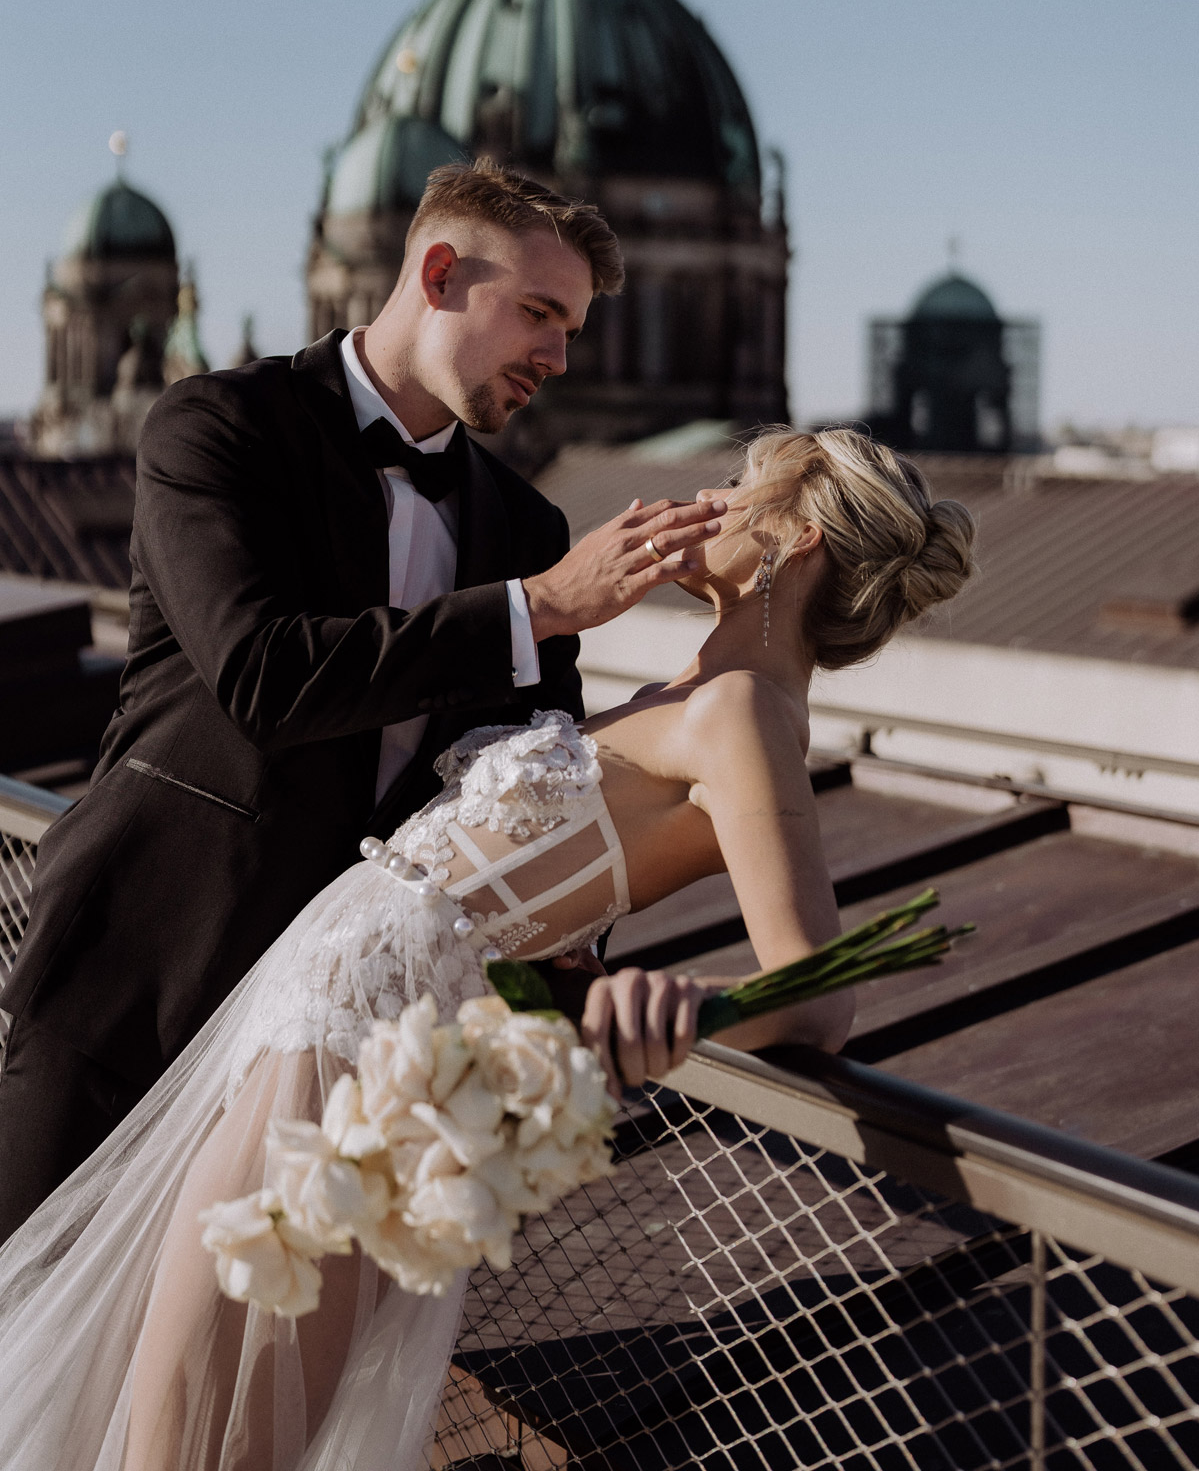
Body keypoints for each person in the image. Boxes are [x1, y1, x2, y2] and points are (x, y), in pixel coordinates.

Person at [0, 425, 975, 1471]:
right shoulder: (685, 693)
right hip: (310, 1032)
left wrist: (676, 1014)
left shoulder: (743, 712)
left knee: (203, 1443)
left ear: (801, 538)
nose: (710, 493)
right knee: (158, 1403)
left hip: (366, 1076)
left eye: (742, 486)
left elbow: (814, 994)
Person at [0, 158, 729, 1243]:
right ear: (437, 273)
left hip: (335, 1054)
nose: (559, 357)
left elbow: (536, 792)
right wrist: (537, 607)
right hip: (136, 984)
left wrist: (582, 973)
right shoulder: (216, 426)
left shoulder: (526, 527)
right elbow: (260, 676)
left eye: (570, 328)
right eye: (537, 313)